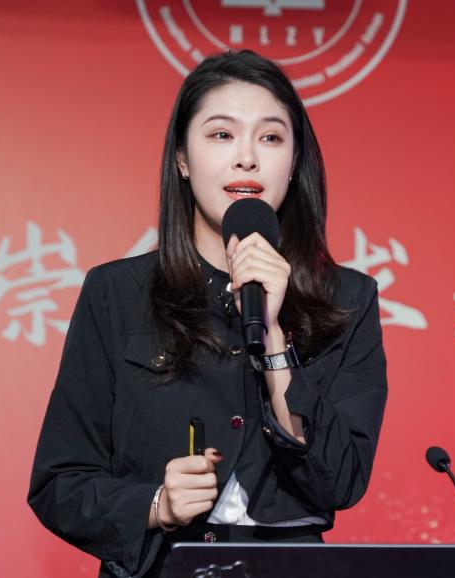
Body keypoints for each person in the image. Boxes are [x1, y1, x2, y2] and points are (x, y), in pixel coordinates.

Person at [28, 50, 388, 578]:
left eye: (271, 138)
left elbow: (341, 481)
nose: (247, 158)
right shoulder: (117, 293)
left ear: (294, 162)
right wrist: (156, 504)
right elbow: (59, 483)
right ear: (182, 158)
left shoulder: (349, 299)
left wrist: (273, 336)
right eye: (222, 134)